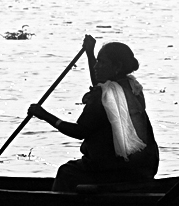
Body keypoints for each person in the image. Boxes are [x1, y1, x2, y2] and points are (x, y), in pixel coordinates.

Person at [27, 35, 159, 193]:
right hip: (143, 167)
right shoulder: (132, 87)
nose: (96, 66)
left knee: (66, 172)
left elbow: (79, 131)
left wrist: (44, 115)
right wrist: (90, 53)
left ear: (117, 66)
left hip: (113, 169)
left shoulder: (102, 97)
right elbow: (100, 82)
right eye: (97, 61)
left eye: (102, 62)